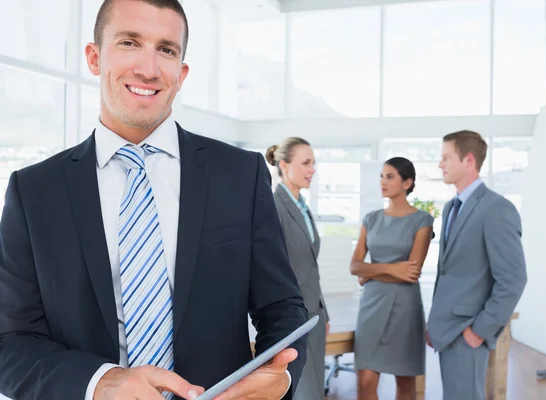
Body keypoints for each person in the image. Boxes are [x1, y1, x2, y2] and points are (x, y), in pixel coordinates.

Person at [0, 1, 308, 399]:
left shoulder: (240, 174)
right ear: (94, 57)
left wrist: (279, 376)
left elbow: (282, 305)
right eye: (129, 42)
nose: (148, 68)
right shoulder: (34, 191)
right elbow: (11, 342)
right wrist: (101, 382)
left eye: (166, 49)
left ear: (181, 73)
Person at [426, 130, 527, 400]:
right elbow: (449, 273)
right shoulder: (450, 208)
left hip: (468, 332)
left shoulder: (497, 209)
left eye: (446, 157)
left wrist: (479, 331)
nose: (440, 164)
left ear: (469, 160)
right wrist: (436, 322)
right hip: (446, 330)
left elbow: (513, 279)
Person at [350, 157, 434, 400]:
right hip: (371, 306)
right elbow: (355, 265)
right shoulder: (371, 219)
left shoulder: (422, 221)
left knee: (406, 382)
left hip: (404, 308)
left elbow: (411, 273)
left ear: (407, 183)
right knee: (365, 380)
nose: (383, 182)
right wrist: (391, 269)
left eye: (390, 177)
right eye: (381, 176)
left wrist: (371, 272)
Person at [265, 137, 330, 400]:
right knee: (300, 390)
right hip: (292, 317)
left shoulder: (303, 207)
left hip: (314, 314)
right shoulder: (273, 205)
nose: (312, 169)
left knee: (315, 389)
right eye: (305, 163)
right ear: (284, 165)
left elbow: (310, 266)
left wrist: (322, 309)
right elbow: (272, 268)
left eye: (313, 163)